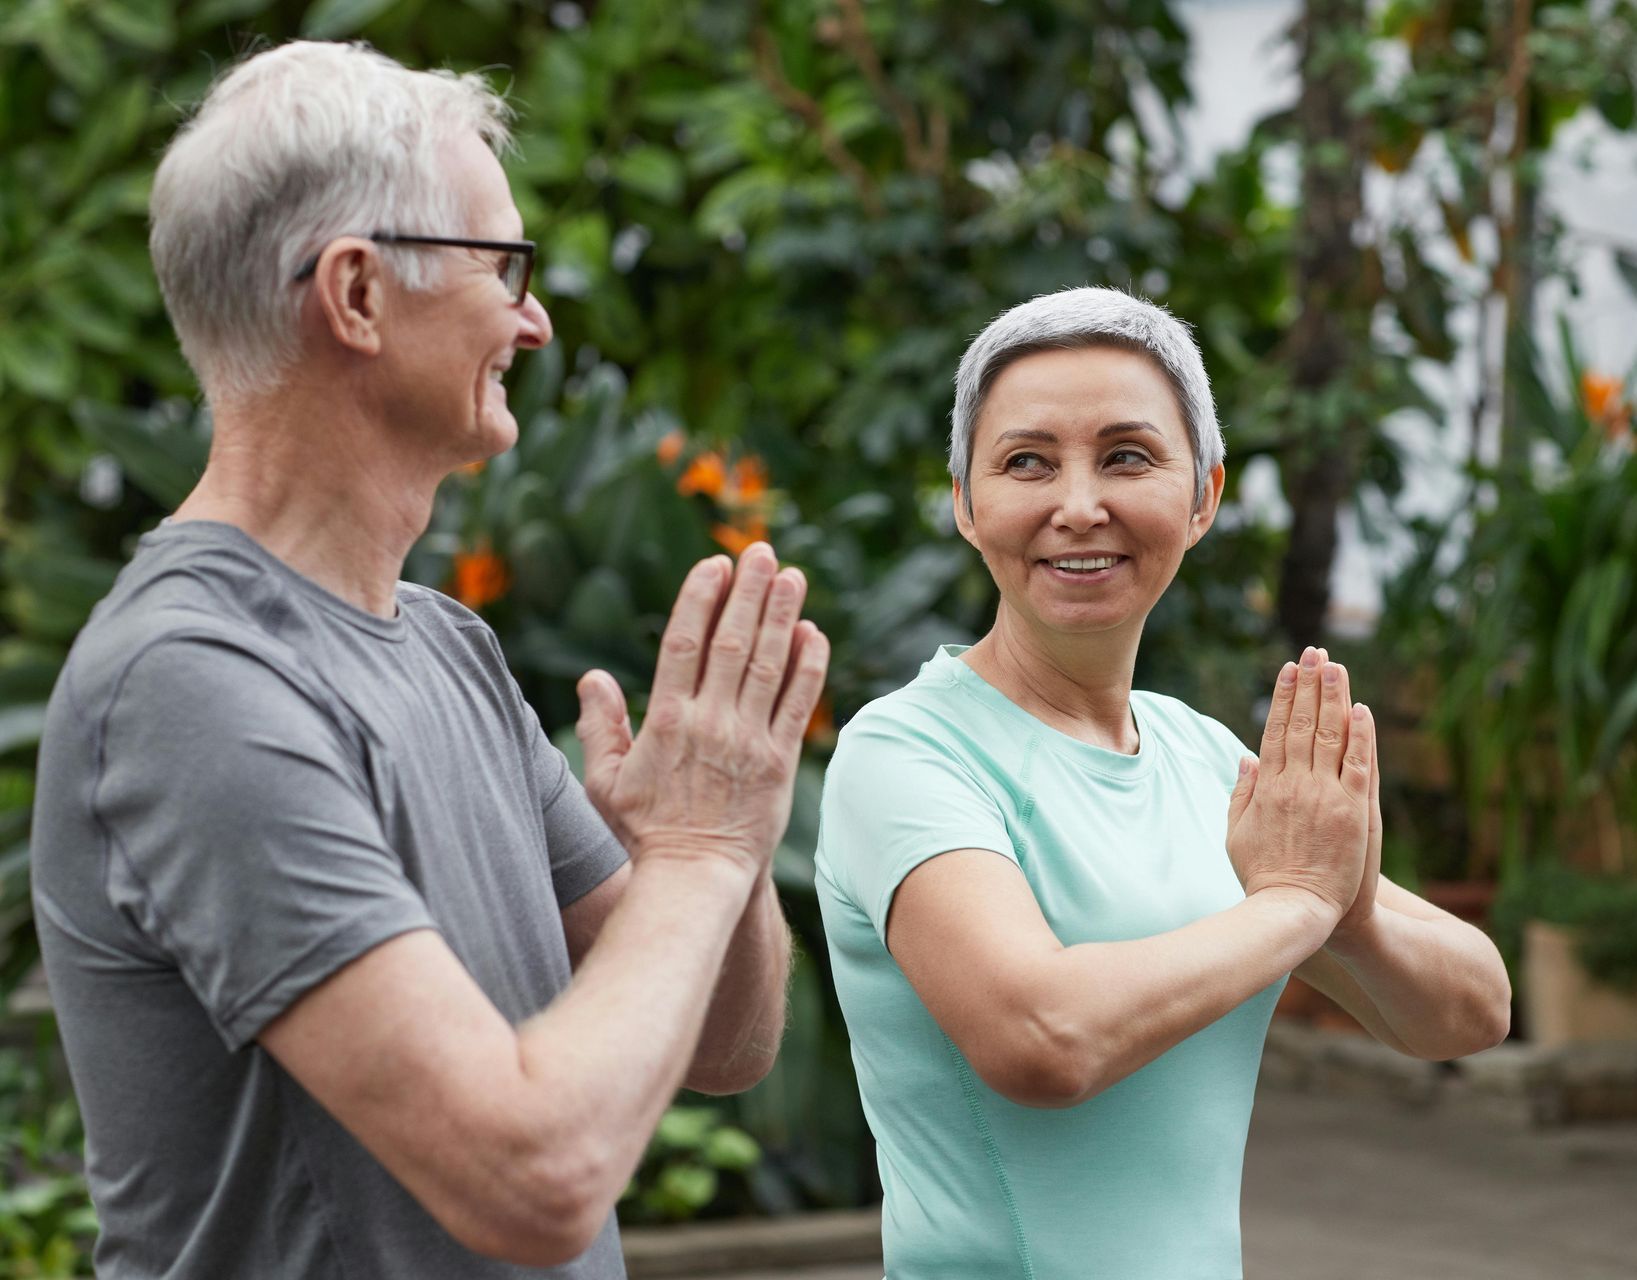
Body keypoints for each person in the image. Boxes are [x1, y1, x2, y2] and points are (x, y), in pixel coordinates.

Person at [29, 41, 828, 1280]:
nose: (535, 314)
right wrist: (704, 849)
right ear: (355, 295)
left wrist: (720, 846)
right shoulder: (190, 681)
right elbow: (534, 1177)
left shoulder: (446, 645)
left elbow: (724, 1044)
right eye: (503, 263)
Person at [814, 287, 1512, 1279]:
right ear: (966, 503)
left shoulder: (1196, 754)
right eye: (1025, 461)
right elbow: (1040, 1036)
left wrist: (1344, 912)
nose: (1077, 504)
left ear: (1202, 497)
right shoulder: (906, 753)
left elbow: (1469, 1009)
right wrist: (1296, 901)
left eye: (1126, 454)